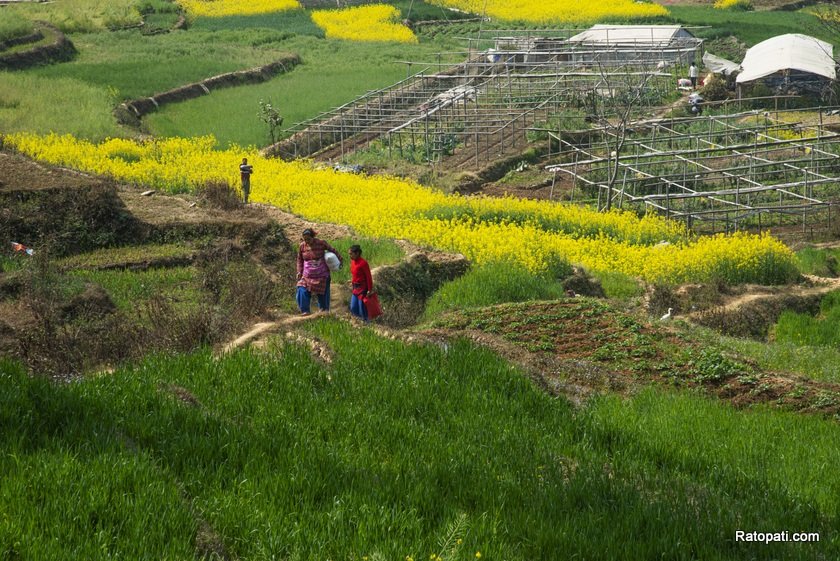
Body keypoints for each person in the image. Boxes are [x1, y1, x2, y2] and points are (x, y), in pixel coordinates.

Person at [296, 228, 341, 315]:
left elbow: (333, 250)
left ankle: (324, 313)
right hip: (306, 276)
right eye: (305, 239)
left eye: (308, 239)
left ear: (313, 237)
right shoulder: (302, 246)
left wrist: (340, 261)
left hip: (322, 276)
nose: (307, 241)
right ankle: (305, 311)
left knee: (323, 295)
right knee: (301, 289)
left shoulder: (321, 243)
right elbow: (299, 259)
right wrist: (299, 271)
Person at [348, 244, 373, 322]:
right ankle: (358, 322)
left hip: (362, 289)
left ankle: (366, 324)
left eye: (351, 254)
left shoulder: (363, 263)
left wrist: (369, 289)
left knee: (362, 308)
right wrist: (352, 281)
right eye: (349, 254)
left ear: (357, 253)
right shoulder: (352, 262)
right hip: (355, 289)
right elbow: (355, 274)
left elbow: (368, 277)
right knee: (353, 307)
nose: (350, 256)